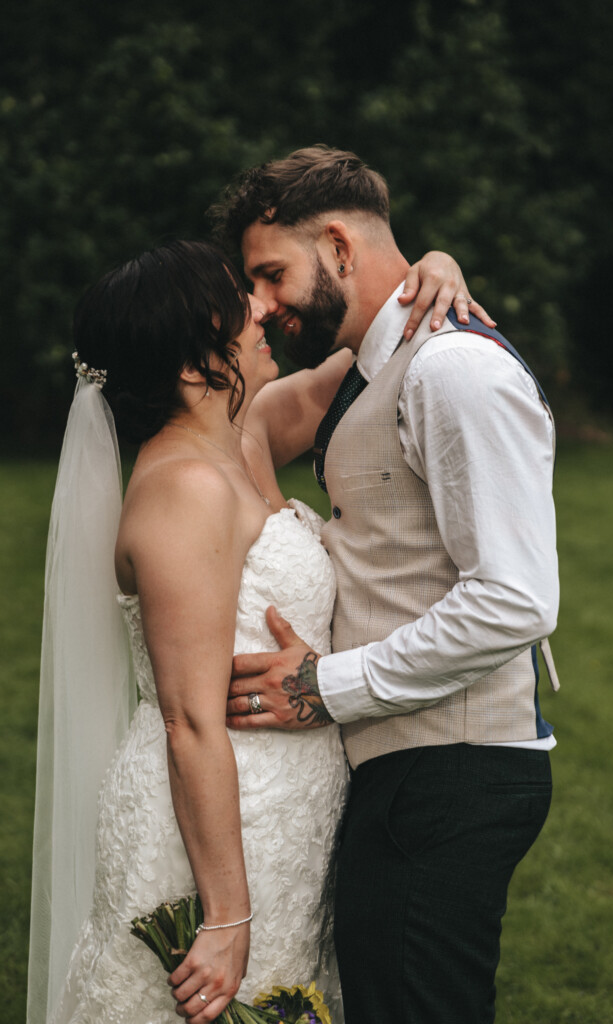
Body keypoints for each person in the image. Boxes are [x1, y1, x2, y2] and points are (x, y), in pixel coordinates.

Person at [27, 238, 479, 1024]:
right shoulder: (183, 492)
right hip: (215, 825)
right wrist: (226, 914)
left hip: (290, 807)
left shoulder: (243, 437)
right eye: (238, 307)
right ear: (192, 361)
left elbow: (383, 345)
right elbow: (191, 718)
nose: (264, 311)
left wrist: (431, 267)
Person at [215, 146, 561, 1024]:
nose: (261, 304)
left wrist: (323, 686)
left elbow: (514, 600)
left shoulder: (451, 369)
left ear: (337, 244)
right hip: (407, 768)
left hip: (453, 767)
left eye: (269, 273)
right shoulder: (371, 363)